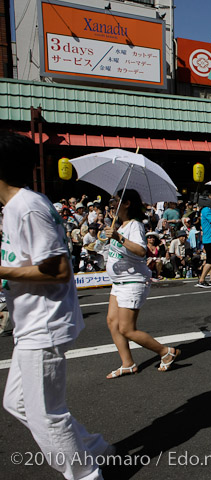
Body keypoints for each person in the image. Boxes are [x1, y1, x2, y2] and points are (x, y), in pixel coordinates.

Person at [0, 132, 112, 479]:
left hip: (44, 322)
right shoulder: (17, 206)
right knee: (16, 402)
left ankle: (85, 473)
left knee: (46, 413)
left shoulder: (26, 207)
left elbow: (60, 270)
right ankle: (93, 447)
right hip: (31, 320)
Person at [104, 189, 180, 377]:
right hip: (119, 283)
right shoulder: (121, 226)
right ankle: (127, 363)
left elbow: (140, 250)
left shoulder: (134, 226)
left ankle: (166, 352)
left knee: (127, 328)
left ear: (127, 203)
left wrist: (118, 238)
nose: (112, 204)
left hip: (132, 282)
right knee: (112, 322)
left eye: (115, 200)